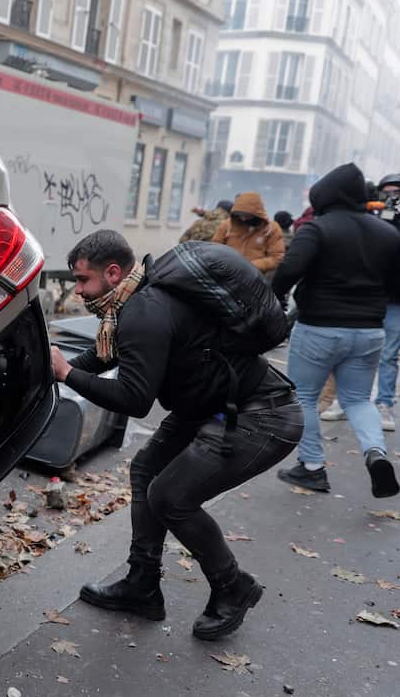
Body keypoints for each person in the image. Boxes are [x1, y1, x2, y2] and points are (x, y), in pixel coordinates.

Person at [52, 230, 302, 640]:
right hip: (213, 406)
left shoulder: (142, 311)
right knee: (146, 470)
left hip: (262, 416)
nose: (79, 290)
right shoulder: (135, 301)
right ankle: (142, 585)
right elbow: (109, 354)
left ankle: (233, 586)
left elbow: (134, 399)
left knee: (171, 497)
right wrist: (56, 371)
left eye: (83, 280)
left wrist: (66, 374)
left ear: (113, 273)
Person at [271, 163, 400, 498]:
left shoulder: (318, 229)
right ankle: (375, 452)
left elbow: (288, 270)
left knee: (303, 396)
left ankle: (312, 468)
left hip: (319, 327)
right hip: (369, 332)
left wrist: (277, 296)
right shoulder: (387, 233)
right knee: (358, 400)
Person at [372, 173, 400, 432]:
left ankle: (384, 403)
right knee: (363, 351)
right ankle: (352, 400)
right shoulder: (376, 220)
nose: (392, 198)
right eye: (387, 192)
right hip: (377, 293)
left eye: (397, 192)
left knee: (388, 353)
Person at [210, 192, 285, 276]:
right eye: (239, 214)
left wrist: (250, 266)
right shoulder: (227, 225)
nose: (243, 218)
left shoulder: (272, 229)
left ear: (257, 212)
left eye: (247, 215)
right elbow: (214, 249)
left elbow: (276, 258)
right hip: (226, 274)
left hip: (254, 278)